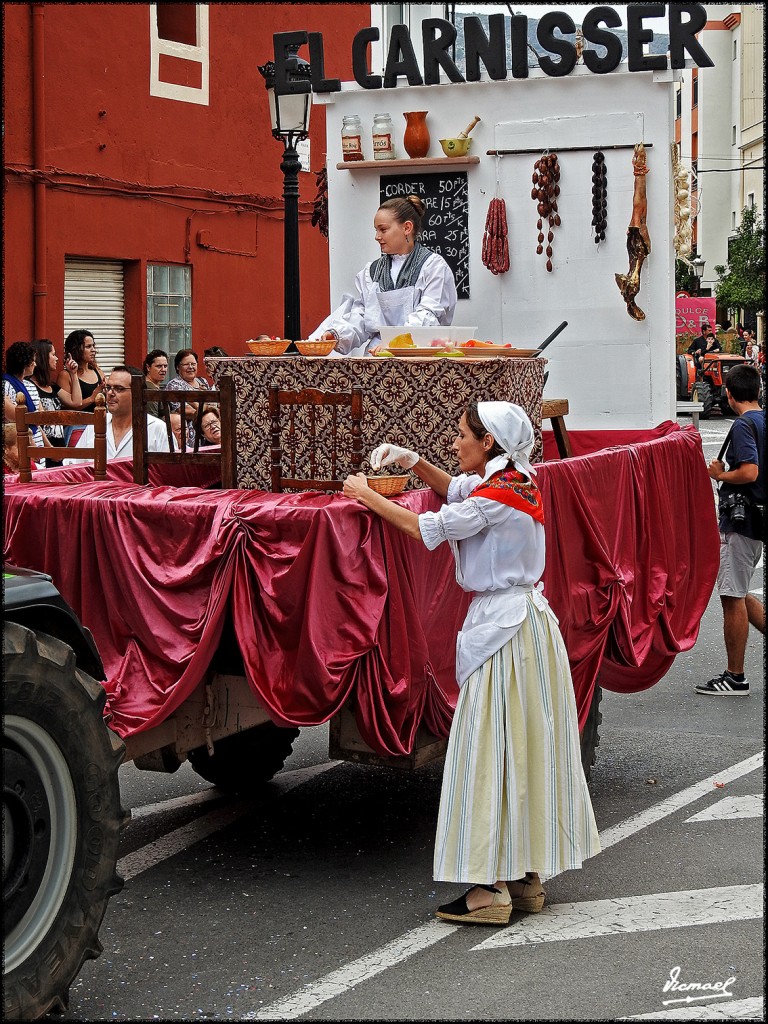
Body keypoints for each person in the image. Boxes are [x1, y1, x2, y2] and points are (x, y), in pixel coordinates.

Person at [343, 401, 600, 925]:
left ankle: (489, 889)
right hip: (527, 626)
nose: (455, 443)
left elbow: (427, 529)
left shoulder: (497, 494)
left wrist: (365, 494)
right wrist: (414, 463)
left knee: (488, 750)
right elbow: (454, 488)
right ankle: (527, 877)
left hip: (501, 631)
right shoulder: (516, 477)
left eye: (462, 435)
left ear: (488, 444)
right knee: (526, 746)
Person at [310, 195, 457, 357]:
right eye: (376, 230)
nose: (377, 236)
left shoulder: (433, 267)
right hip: (376, 356)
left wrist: (393, 344)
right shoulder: (371, 272)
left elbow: (429, 315)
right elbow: (362, 315)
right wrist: (338, 335)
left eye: (383, 229)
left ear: (407, 228)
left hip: (418, 359)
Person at [698, 364, 765, 696]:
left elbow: (750, 472)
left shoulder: (742, 425)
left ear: (728, 393)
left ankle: (735, 676)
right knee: (736, 590)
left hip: (741, 523)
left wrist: (720, 475)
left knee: (731, 596)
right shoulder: (763, 420)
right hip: (757, 522)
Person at [63, 365, 174, 464]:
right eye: (108, 388)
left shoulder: (158, 429)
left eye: (119, 389)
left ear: (137, 393)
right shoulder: (95, 425)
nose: (110, 393)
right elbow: (73, 465)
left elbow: (167, 474)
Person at [29, 339, 83, 465]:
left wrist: (73, 374)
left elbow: (76, 402)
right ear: (43, 357)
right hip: (43, 448)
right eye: (53, 354)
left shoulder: (52, 387)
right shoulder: (29, 386)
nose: (57, 358)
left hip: (59, 446)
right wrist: (49, 449)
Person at [3, 341, 52, 453]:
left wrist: (48, 448)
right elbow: (15, 418)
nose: (35, 364)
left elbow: (39, 418)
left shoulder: (31, 386)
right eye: (33, 361)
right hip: (20, 447)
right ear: (25, 363)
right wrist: (32, 446)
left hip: (38, 445)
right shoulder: (5, 385)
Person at [163, 349, 211, 446]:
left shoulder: (203, 382)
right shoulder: (174, 385)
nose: (190, 367)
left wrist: (200, 406)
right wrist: (207, 409)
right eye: (186, 364)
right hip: (187, 437)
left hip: (207, 435)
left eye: (193, 364)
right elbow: (187, 411)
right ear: (177, 367)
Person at [58, 329, 104, 412]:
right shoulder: (65, 375)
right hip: (78, 423)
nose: (93, 350)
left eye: (93, 346)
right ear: (77, 349)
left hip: (99, 421)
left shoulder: (98, 371)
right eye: (88, 347)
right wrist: (92, 398)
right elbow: (68, 408)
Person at [142, 349, 169, 418]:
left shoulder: (155, 387)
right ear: (148, 367)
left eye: (165, 366)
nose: (163, 370)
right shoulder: (149, 388)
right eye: (159, 366)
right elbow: (152, 417)